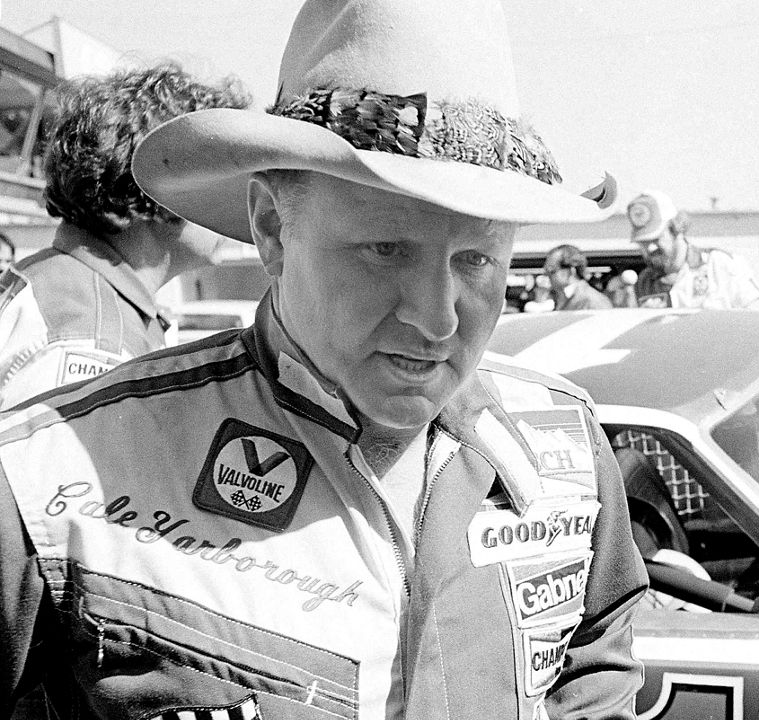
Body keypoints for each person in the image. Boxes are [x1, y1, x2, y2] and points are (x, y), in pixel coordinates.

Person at [0, 2, 646, 719]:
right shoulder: (41, 480)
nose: (435, 317)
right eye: (385, 249)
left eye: (477, 260)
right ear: (272, 230)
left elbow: (595, 675)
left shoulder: (569, 452)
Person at [0, 64, 249, 410]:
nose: (239, 200)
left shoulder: (56, 283)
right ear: (159, 188)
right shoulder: (94, 338)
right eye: (222, 179)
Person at [628, 190, 759, 310]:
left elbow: (756, 319)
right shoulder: (644, 282)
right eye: (643, 243)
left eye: (656, 239)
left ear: (676, 229)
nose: (650, 248)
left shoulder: (718, 265)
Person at [542, 243, 613, 310]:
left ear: (572, 270)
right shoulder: (558, 299)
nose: (547, 274)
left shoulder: (592, 300)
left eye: (551, 270)